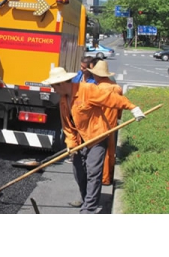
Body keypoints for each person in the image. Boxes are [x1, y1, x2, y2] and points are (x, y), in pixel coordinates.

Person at [42, 67, 145, 214]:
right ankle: (87, 200)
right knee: (79, 172)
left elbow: (111, 99)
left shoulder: (87, 90)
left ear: (62, 83)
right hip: (79, 141)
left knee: (93, 172)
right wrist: (71, 145)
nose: (53, 90)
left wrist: (132, 108)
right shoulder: (63, 102)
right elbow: (68, 127)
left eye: (54, 86)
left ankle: (89, 208)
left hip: (97, 137)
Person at [87, 60, 123, 186]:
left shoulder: (96, 89)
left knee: (98, 152)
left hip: (98, 125)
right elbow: (120, 108)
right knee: (110, 151)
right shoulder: (117, 88)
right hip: (112, 124)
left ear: (97, 75)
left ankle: (102, 178)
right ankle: (108, 177)